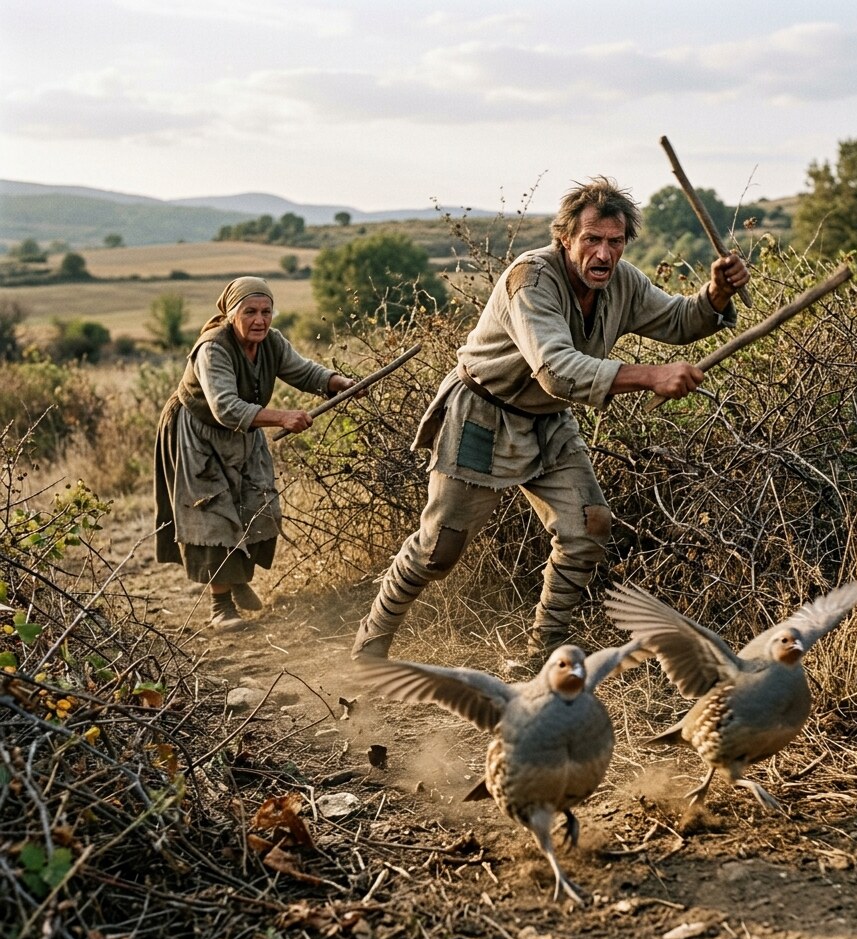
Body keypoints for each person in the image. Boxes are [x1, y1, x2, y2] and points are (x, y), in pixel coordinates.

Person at [351, 176, 750, 663]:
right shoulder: (531, 279)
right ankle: (369, 646)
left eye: (615, 242)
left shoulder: (622, 282)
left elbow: (680, 320)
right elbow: (556, 371)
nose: (604, 254)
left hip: (547, 425)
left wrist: (716, 294)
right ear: (565, 238)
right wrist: (650, 375)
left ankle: (543, 651)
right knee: (440, 549)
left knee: (589, 527)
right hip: (481, 415)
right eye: (592, 240)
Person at [154, 276, 355, 633]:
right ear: (230, 314)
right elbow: (225, 408)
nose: (260, 319)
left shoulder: (271, 343)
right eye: (250, 311)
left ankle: (235, 574)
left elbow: (303, 370)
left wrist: (335, 382)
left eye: (266, 311)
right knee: (212, 515)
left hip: (245, 434)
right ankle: (221, 607)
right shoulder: (212, 349)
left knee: (258, 506)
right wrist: (283, 417)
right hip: (198, 435)